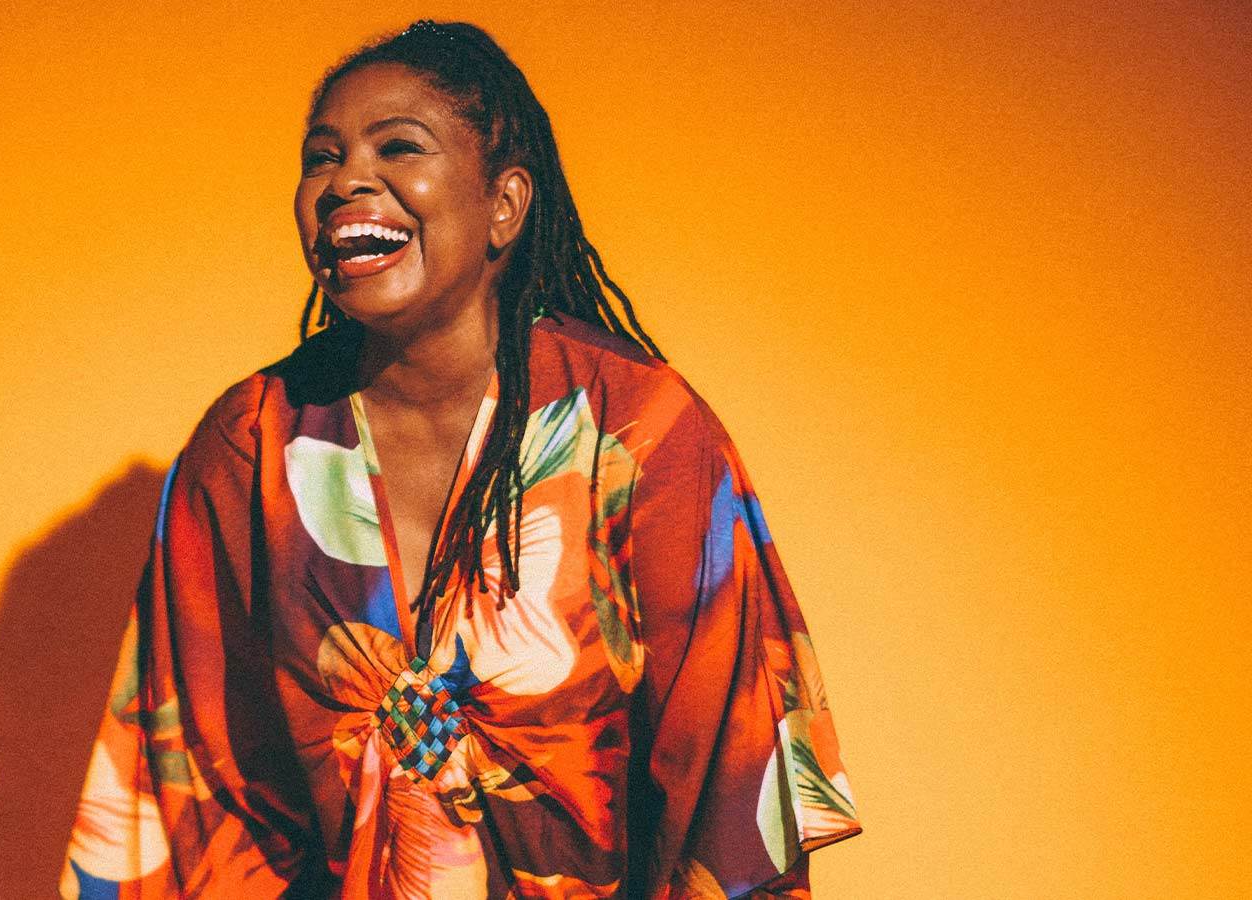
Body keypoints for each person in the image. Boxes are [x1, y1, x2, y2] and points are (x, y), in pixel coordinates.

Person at [59, 19, 861, 899]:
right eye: (320, 158)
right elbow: (192, 795)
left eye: (398, 147)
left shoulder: (635, 431)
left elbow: (730, 784)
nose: (345, 183)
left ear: (505, 204)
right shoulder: (251, 445)